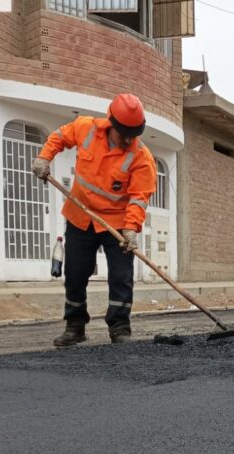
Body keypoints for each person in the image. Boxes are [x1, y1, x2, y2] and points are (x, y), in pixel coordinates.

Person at [32, 93, 156, 347]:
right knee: (75, 273)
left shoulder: (142, 158)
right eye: (124, 134)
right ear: (111, 124)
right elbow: (59, 137)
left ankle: (120, 328)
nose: (129, 140)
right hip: (80, 216)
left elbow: (138, 198)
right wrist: (44, 158)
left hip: (117, 223)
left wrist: (131, 230)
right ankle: (75, 326)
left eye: (134, 134)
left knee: (121, 276)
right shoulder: (86, 128)